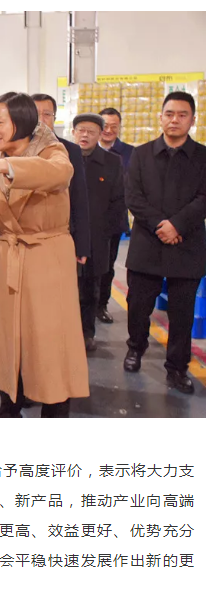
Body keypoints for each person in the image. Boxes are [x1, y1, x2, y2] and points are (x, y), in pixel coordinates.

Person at [0, 92, 89, 418]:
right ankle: (9, 406)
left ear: (21, 121)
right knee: (9, 342)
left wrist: (6, 166)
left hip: (47, 260)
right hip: (8, 259)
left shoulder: (52, 151)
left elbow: (58, 174)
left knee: (50, 345)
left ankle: (54, 410)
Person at [123, 91, 205, 395]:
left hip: (187, 244)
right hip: (148, 242)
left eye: (182, 115)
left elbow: (205, 198)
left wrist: (177, 225)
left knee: (182, 313)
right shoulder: (142, 154)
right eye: (169, 114)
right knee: (138, 305)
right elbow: (133, 197)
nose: (175, 120)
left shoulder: (204, 157)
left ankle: (177, 368)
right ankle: (135, 348)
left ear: (192, 120)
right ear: (160, 117)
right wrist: (162, 225)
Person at [72, 113, 125, 352]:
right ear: (73, 132)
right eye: (81, 130)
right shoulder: (63, 158)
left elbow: (118, 201)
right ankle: (66, 333)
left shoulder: (112, 162)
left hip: (97, 237)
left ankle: (86, 333)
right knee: (65, 288)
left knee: (90, 288)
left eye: (91, 132)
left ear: (100, 135)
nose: (85, 135)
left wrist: (104, 233)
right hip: (66, 236)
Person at [31, 94, 91, 266]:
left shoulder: (71, 150)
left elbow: (79, 198)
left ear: (54, 118)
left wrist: (82, 245)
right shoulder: (17, 149)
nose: (41, 120)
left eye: (47, 114)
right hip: (26, 235)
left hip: (60, 234)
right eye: (36, 114)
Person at [96, 107, 135, 324]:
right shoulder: (86, 150)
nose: (109, 130)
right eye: (105, 125)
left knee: (107, 266)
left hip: (114, 220)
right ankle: (83, 305)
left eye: (114, 126)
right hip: (89, 221)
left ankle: (101, 305)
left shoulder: (130, 154)